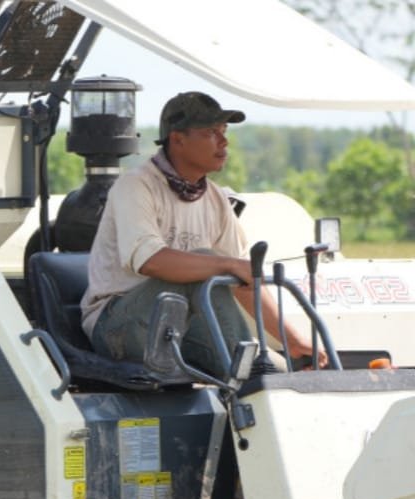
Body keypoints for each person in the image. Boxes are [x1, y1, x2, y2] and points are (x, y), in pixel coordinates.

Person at [80, 91, 325, 377]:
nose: (224, 141)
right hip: (118, 329)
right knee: (208, 269)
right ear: (177, 139)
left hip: (178, 327)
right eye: (210, 132)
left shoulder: (216, 198)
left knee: (279, 374)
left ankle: (262, 379)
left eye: (224, 131)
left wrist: (292, 340)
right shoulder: (135, 186)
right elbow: (152, 262)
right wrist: (226, 264)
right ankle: (247, 376)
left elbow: (242, 282)